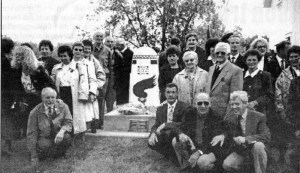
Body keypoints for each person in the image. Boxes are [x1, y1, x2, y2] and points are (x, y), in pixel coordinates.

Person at [172, 93, 226, 171]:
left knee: (202, 162)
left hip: (209, 149)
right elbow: (179, 128)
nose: (203, 106)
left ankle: (209, 168)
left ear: (210, 104)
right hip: (194, 145)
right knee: (175, 141)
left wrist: (198, 152)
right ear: (195, 104)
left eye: (206, 103)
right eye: (200, 103)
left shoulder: (216, 117)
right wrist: (181, 134)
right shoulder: (189, 113)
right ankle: (187, 168)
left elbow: (213, 143)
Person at [52, 42, 98, 135]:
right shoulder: (56, 68)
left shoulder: (79, 67)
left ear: (70, 55)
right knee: (62, 114)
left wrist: (90, 92)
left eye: (65, 56)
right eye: (61, 56)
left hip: (74, 93)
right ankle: (63, 133)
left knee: (76, 115)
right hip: (61, 93)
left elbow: (87, 81)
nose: (63, 58)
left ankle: (76, 133)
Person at [11, 46, 56, 138]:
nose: (18, 57)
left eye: (21, 55)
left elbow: (51, 84)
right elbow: (17, 87)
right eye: (17, 55)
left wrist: (45, 95)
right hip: (26, 99)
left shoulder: (38, 69)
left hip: (38, 98)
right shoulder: (17, 70)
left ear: (27, 56)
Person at [219, 91, 270, 173]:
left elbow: (266, 136)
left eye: (237, 104)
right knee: (227, 164)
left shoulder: (258, 116)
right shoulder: (231, 118)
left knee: (258, 145)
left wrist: (246, 139)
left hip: (255, 150)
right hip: (242, 152)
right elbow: (228, 135)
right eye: (232, 104)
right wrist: (224, 136)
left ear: (245, 104)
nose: (234, 107)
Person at [27, 87, 72, 167]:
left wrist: (62, 132)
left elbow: (68, 122)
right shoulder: (35, 112)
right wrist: (34, 156)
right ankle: (50, 152)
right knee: (44, 146)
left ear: (56, 98)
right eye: (47, 97)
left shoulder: (63, 106)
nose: (50, 100)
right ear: (42, 98)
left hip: (58, 135)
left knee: (67, 137)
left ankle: (61, 151)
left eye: (53, 97)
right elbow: (31, 134)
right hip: (44, 137)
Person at [148, 83, 195, 159]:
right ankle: (170, 155)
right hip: (165, 135)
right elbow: (156, 125)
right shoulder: (160, 109)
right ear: (165, 94)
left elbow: (184, 124)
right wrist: (152, 134)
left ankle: (176, 156)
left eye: (173, 92)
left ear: (177, 94)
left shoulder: (185, 107)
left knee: (173, 138)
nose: (170, 95)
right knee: (151, 142)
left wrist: (167, 125)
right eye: (168, 92)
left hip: (179, 133)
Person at [206, 42, 243, 116]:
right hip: (208, 111)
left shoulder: (236, 70)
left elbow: (235, 97)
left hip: (223, 114)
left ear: (228, 54)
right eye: (217, 53)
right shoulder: (211, 69)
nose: (219, 55)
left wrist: (229, 117)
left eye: (222, 53)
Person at [243, 49, 273, 114]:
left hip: (259, 111)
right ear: (245, 61)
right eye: (249, 60)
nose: (251, 62)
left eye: (254, 60)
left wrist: (255, 102)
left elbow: (269, 95)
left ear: (258, 61)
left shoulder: (265, 75)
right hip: (242, 110)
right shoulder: (241, 74)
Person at [92, 31, 113, 125]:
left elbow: (110, 65)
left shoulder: (107, 50)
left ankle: (100, 121)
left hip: (103, 77)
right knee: (92, 98)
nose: (99, 38)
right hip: (91, 76)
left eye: (101, 37)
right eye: (97, 36)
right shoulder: (89, 49)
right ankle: (92, 121)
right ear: (94, 37)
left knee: (101, 98)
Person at [275, 45, 300, 118]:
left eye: (296, 56)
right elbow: (278, 93)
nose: (293, 59)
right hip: (289, 111)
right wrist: (280, 110)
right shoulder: (284, 74)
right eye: (291, 57)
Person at [1, 37, 15, 155]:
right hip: (6, 94)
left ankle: (7, 145)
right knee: (6, 118)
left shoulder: (5, 61)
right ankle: (7, 145)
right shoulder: (6, 61)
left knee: (5, 118)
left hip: (4, 94)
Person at [113, 38, 134, 105]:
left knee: (125, 98)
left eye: (118, 45)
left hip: (126, 79)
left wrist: (121, 57)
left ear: (122, 45)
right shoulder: (115, 53)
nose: (116, 47)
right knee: (119, 99)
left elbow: (130, 66)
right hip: (118, 80)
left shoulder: (130, 53)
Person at [104, 36, 116, 112]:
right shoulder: (102, 51)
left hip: (113, 77)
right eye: (108, 41)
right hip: (104, 76)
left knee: (111, 97)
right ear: (105, 42)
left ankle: (110, 112)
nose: (110, 43)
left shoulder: (117, 52)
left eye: (111, 42)